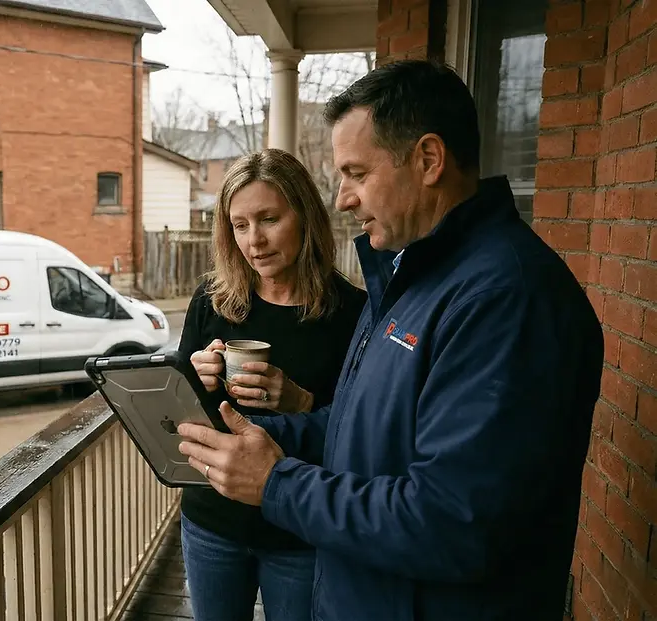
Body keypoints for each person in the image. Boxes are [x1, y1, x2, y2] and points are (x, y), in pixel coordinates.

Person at [177, 59, 604, 620]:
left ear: (428, 160)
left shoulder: (506, 300)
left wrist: (276, 483)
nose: (343, 198)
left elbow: (453, 521)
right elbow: (361, 428)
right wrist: (254, 434)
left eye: (356, 173)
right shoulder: (414, 278)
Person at [177, 148, 367, 621]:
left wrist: (302, 401)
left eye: (269, 219)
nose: (254, 241)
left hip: (298, 531)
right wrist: (193, 380)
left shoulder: (352, 311)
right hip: (212, 521)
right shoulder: (212, 301)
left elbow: (363, 432)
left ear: (304, 215)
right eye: (239, 225)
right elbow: (179, 414)